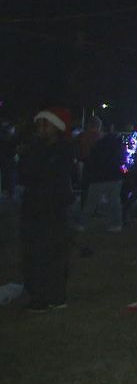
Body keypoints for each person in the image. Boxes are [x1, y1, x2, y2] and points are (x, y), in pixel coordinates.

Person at [20, 108, 76, 311]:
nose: (41, 128)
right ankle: (39, 293)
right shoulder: (35, 147)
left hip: (53, 206)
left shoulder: (62, 149)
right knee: (35, 252)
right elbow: (26, 173)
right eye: (40, 124)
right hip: (35, 206)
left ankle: (52, 295)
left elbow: (47, 173)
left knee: (52, 252)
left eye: (46, 124)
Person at [76, 121, 126, 233]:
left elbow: (92, 157)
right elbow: (122, 159)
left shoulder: (99, 143)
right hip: (114, 175)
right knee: (114, 201)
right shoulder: (118, 143)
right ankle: (116, 223)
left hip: (99, 175)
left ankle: (82, 223)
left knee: (91, 201)